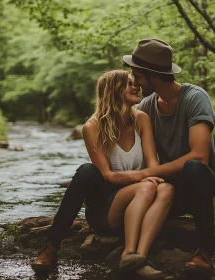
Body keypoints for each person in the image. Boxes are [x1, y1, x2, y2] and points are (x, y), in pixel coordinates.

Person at [32, 70, 173, 279]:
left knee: (167, 188)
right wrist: (145, 177)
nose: (137, 87)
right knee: (87, 170)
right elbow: (109, 176)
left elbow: (153, 165)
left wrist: (149, 176)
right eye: (130, 84)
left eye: (137, 83)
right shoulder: (93, 126)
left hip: (141, 198)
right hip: (107, 208)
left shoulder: (141, 119)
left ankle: (137, 257)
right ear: (113, 91)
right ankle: (51, 246)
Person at [121, 38, 215, 274]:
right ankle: (134, 252)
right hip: (166, 188)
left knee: (193, 167)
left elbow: (199, 157)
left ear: (154, 77)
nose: (134, 82)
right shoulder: (146, 106)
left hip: (198, 184)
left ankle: (205, 251)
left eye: (138, 76)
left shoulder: (195, 98)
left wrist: (147, 172)